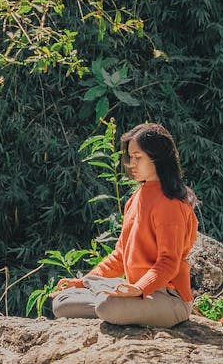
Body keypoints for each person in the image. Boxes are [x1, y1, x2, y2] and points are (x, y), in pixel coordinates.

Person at [50, 122, 199, 328]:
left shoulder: (170, 204)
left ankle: (116, 305)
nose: (131, 164)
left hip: (170, 299)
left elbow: (168, 262)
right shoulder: (136, 198)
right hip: (134, 292)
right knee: (62, 303)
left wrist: (139, 288)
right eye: (130, 157)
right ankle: (113, 302)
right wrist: (83, 281)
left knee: (106, 305)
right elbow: (120, 255)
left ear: (157, 159)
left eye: (138, 158)